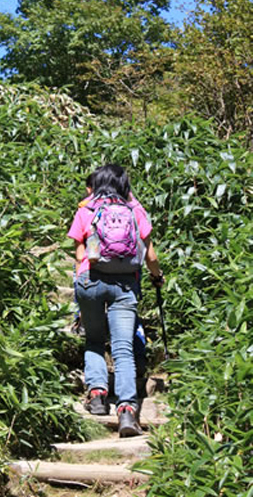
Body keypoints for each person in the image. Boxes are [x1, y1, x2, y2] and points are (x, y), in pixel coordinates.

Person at [67, 164, 164, 437]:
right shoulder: (135, 210)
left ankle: (97, 396)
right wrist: (157, 277)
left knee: (95, 340)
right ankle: (127, 413)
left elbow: (78, 253)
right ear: (124, 185)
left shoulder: (85, 210)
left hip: (91, 282)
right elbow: (151, 257)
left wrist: (81, 281)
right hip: (125, 285)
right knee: (123, 349)